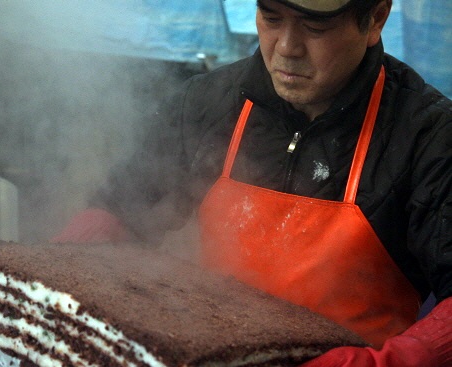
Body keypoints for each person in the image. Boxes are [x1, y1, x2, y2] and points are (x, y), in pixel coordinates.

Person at [52, 0, 452, 365]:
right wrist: (54, 277)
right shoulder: (206, 102)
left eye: (314, 28)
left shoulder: (428, 136)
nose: (287, 48)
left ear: (375, 19)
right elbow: (122, 206)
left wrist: (387, 361)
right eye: (271, 18)